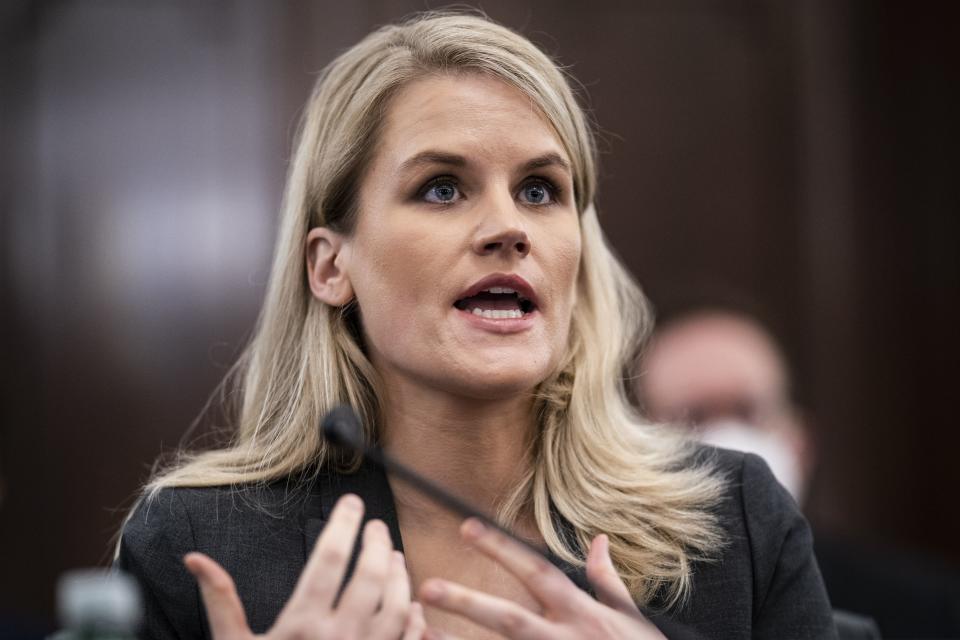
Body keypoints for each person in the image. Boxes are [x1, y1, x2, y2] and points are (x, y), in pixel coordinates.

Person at [117, 12, 837, 640]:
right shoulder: (197, 545)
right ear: (331, 266)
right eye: (442, 188)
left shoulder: (735, 524)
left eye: (539, 190)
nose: (509, 228)